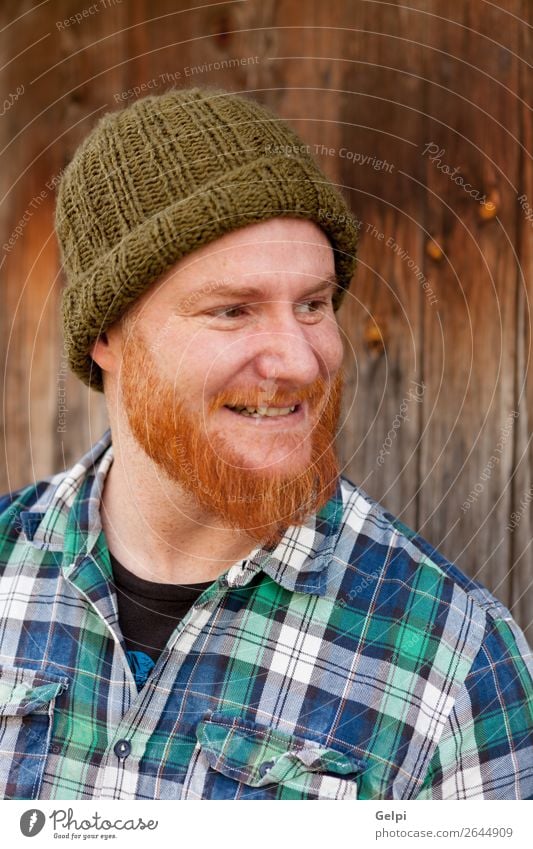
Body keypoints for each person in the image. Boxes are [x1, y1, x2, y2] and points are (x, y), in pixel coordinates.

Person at [0, 87, 531, 801]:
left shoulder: (456, 668)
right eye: (232, 310)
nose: (301, 359)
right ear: (107, 335)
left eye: (312, 304)